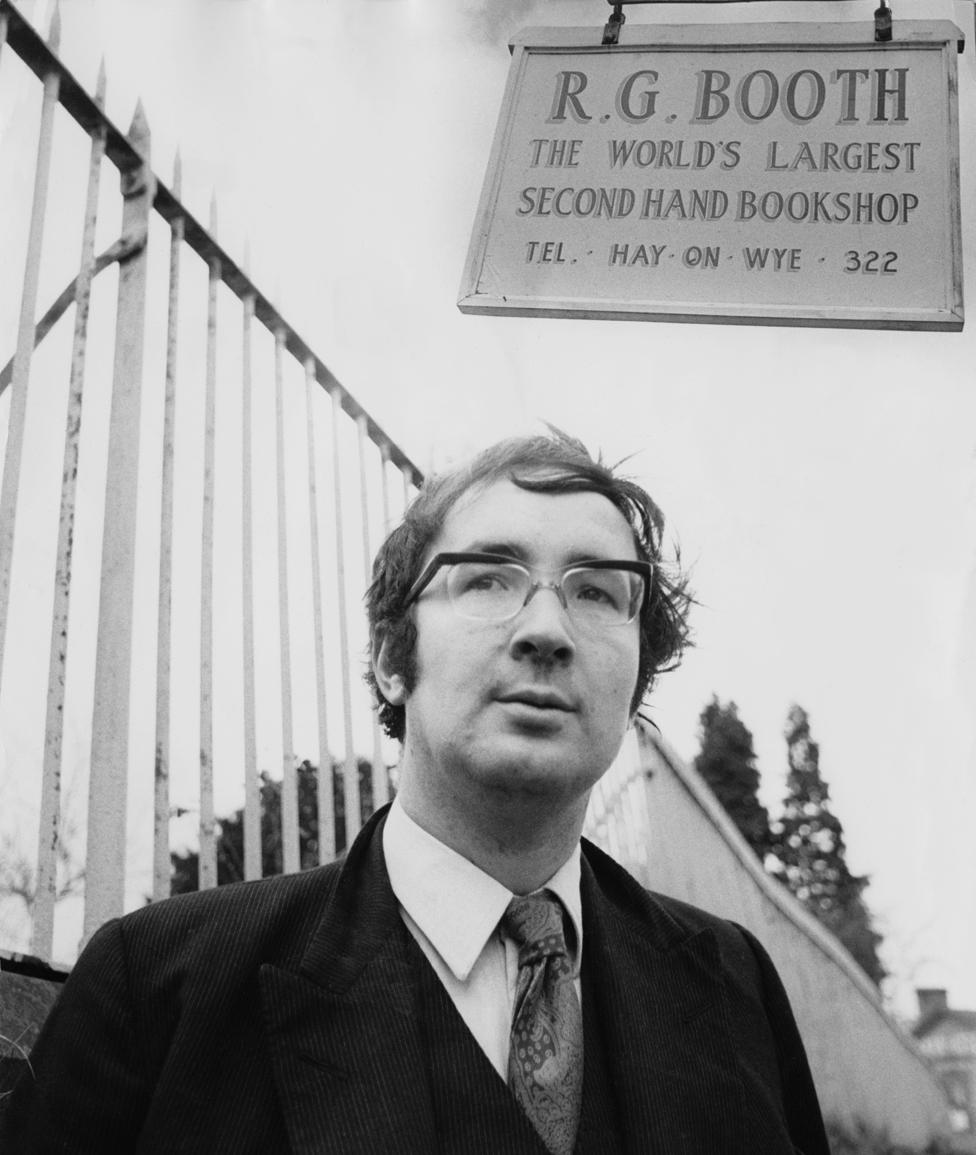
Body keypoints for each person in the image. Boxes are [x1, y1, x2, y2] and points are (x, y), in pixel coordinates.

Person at [0, 430, 829, 1154]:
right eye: (488, 580)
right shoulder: (159, 989)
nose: (546, 629)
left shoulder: (735, 986)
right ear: (393, 660)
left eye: (597, 591)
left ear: (636, 682)